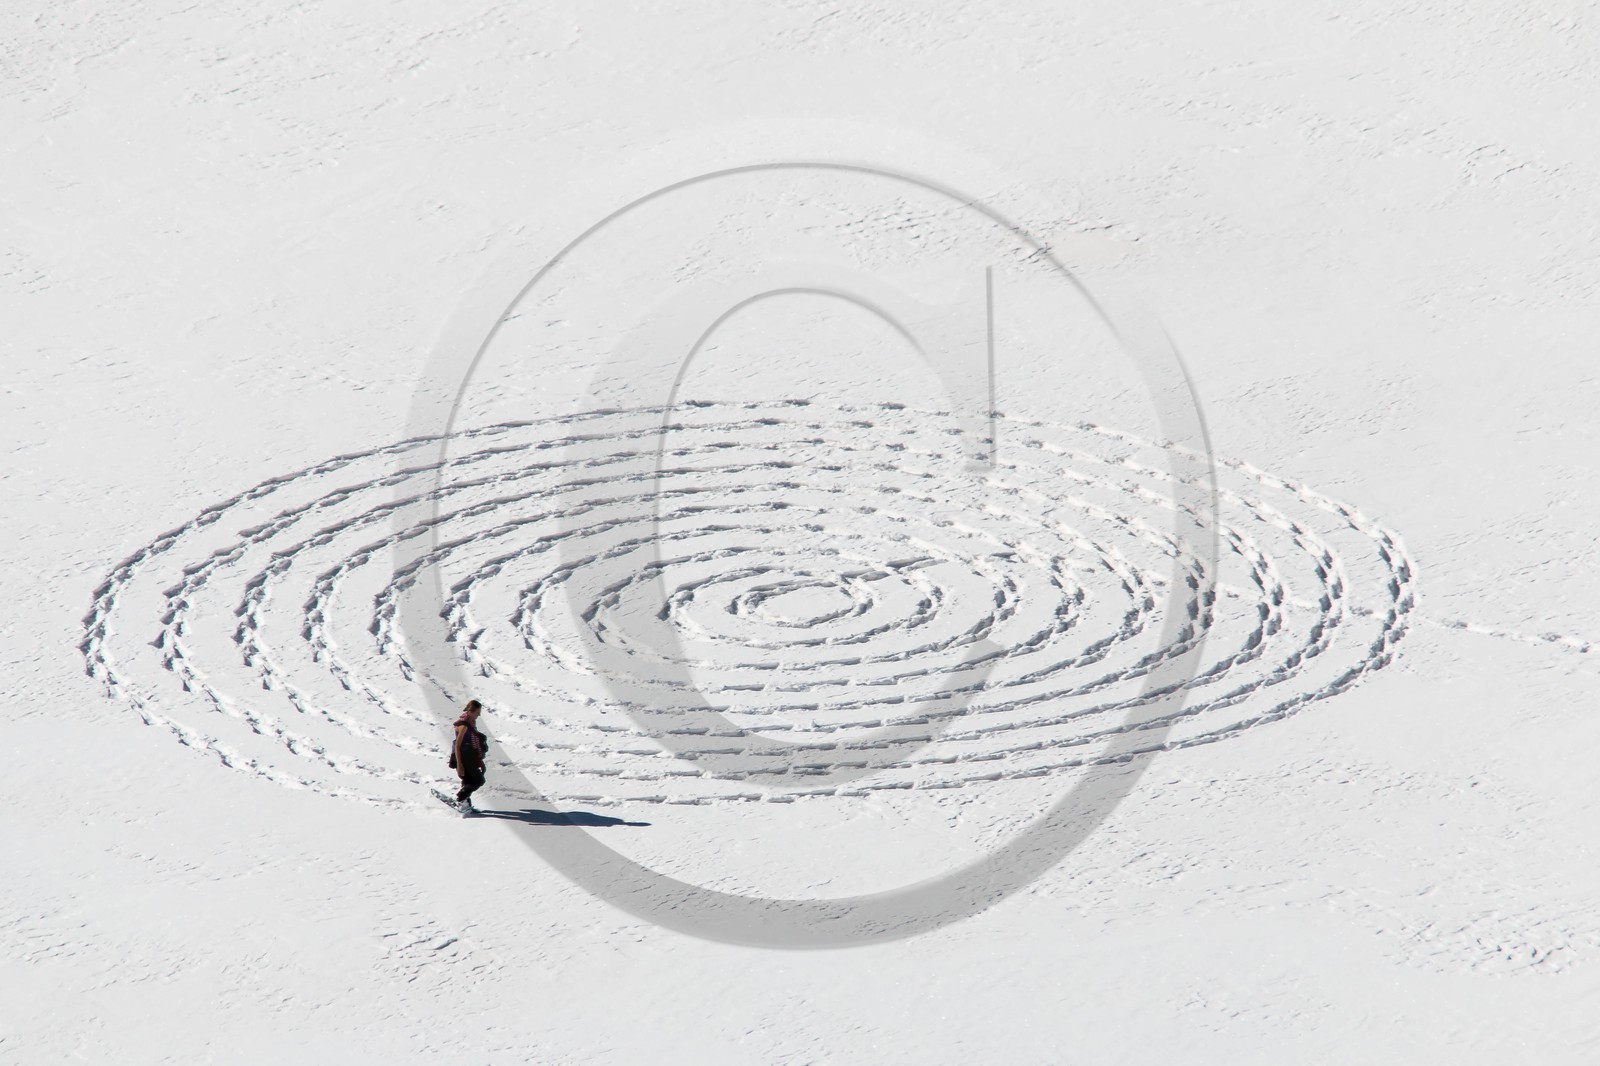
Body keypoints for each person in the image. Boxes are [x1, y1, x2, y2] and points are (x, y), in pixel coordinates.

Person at [449, 699, 490, 812]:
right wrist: (460, 765)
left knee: (468, 780)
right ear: (471, 711)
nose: (478, 715)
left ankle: (465, 804)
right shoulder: (464, 725)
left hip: (469, 755)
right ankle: (459, 798)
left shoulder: (469, 722)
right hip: (465, 756)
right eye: (477, 712)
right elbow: (457, 745)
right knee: (478, 780)